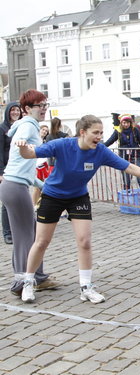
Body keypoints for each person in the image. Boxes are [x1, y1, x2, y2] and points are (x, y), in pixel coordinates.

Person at [18, 114, 140, 303]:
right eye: (96, 132)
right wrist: (22, 147)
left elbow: (129, 167)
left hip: (78, 197)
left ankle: (86, 287)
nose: (100, 136)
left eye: (101, 133)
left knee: (85, 242)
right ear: (82, 132)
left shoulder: (100, 151)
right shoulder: (62, 145)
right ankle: (28, 282)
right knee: (42, 242)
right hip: (53, 195)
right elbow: (29, 154)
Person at [0, 89, 59, 296]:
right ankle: (25, 280)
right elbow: (21, 144)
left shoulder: (27, 125)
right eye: (39, 106)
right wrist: (21, 143)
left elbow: (25, 167)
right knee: (28, 236)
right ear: (27, 109)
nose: (43, 109)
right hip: (14, 187)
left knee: (29, 233)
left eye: (45, 105)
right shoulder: (27, 126)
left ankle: (34, 277)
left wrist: (43, 186)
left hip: (13, 185)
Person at [103, 114, 140, 190]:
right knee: (126, 177)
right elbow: (109, 141)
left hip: (135, 155)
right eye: (124, 123)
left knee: (139, 176)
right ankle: (127, 194)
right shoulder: (118, 131)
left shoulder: (135, 130)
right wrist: (100, 147)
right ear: (121, 123)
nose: (126, 124)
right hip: (124, 157)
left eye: (128, 123)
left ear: (130, 123)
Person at [0, 102, 22, 244]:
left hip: (18, 169)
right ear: (7, 112)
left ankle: (17, 230)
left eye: (17, 110)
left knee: (19, 200)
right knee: (7, 202)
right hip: (6, 169)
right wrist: (1, 172)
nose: (15, 112)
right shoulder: (2, 129)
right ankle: (7, 232)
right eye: (12, 110)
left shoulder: (20, 127)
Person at [32, 124, 51, 207]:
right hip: (36, 166)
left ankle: (38, 204)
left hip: (44, 165)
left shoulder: (44, 141)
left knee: (42, 186)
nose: (44, 132)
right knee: (36, 188)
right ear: (39, 130)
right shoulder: (35, 140)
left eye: (46, 131)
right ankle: (34, 205)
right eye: (43, 129)